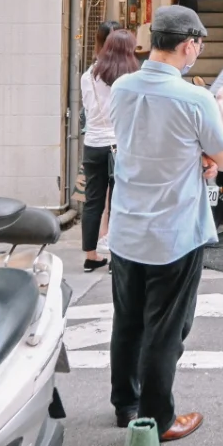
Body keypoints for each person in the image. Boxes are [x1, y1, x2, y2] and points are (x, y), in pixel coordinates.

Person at [107, 6, 223, 440]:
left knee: (128, 323)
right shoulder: (195, 98)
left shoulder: (122, 87)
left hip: (126, 229)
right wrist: (218, 107)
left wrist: (192, 155)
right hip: (173, 233)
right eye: (197, 44)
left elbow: (141, 141)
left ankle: (126, 406)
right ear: (188, 45)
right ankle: (158, 419)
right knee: (166, 330)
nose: (197, 50)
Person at [80, 27, 137, 272]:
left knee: (92, 201)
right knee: (119, 203)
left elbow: (87, 108)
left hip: (92, 144)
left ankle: (90, 256)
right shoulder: (130, 79)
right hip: (120, 146)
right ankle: (116, 258)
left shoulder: (88, 75)